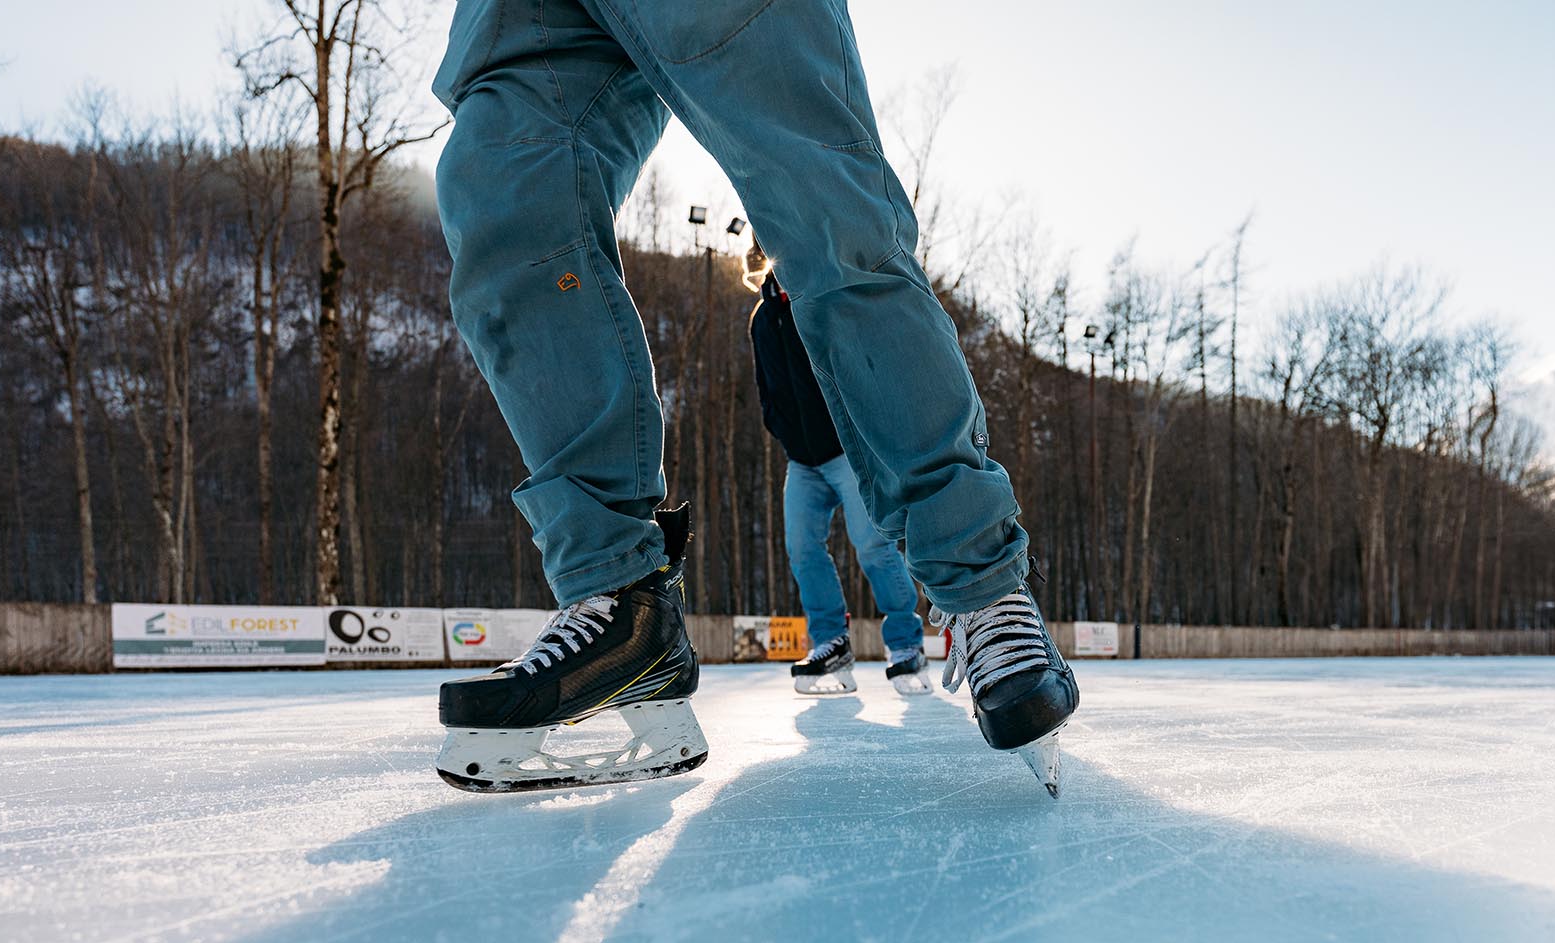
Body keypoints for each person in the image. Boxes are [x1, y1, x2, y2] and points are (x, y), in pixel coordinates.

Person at [427, 0, 1078, 797]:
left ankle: (979, 580)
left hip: (838, 454)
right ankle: (618, 602)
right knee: (499, 194)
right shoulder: (758, 322)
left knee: (822, 203)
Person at [745, 242, 930, 698]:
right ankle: (831, 644)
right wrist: (782, 429)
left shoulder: (824, 299)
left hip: (847, 452)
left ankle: (906, 646)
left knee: (873, 546)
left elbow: (858, 370)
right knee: (802, 548)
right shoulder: (762, 320)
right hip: (801, 460)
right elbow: (765, 388)